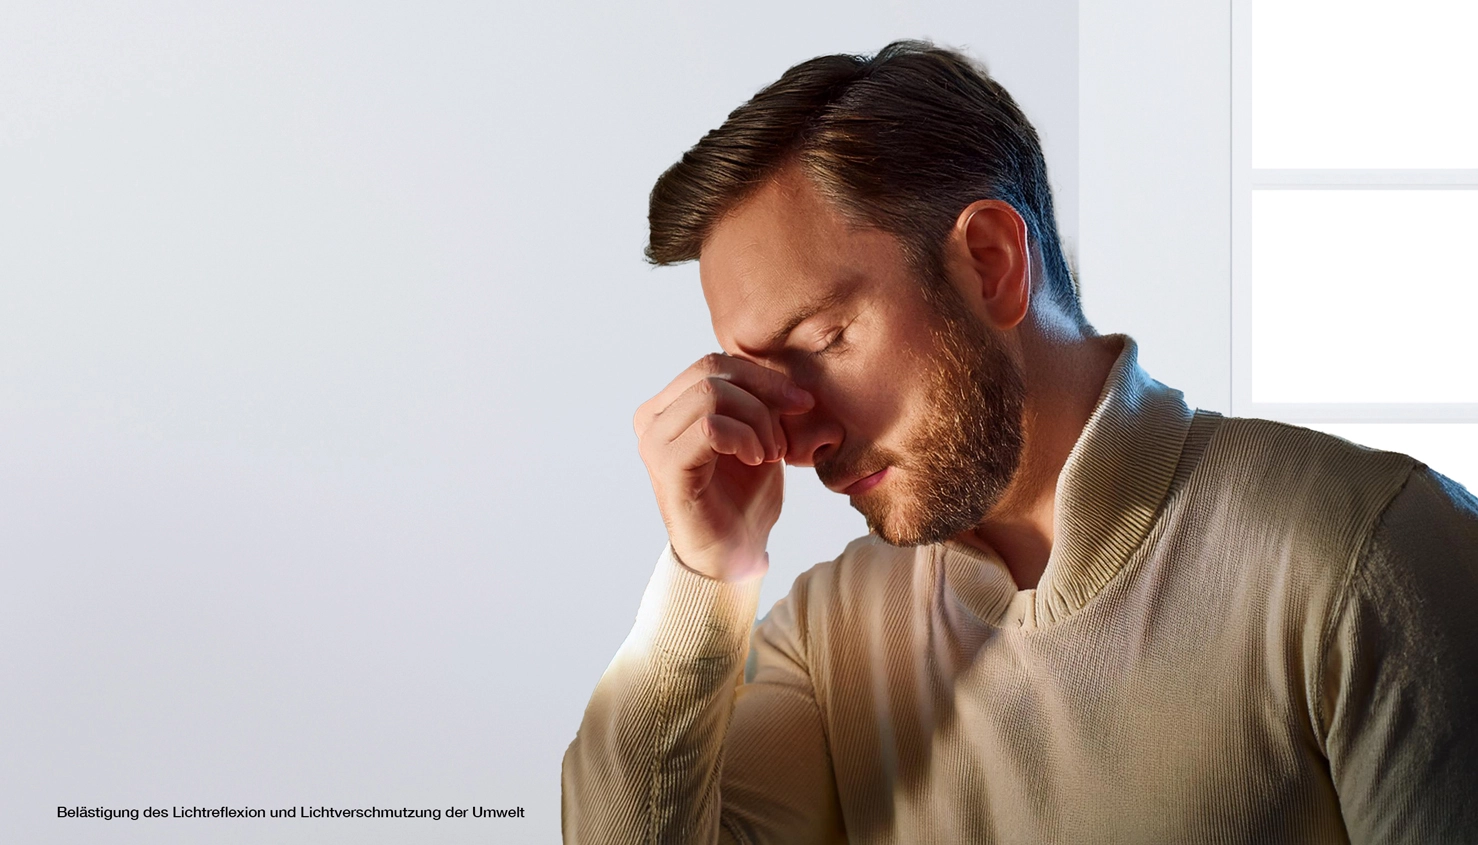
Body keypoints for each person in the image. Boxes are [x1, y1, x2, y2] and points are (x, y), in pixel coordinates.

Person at [561, 41, 1478, 843]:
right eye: (761, 372)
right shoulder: (826, 634)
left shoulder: (1367, 548)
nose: (800, 431)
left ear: (992, 261)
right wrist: (703, 571)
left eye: (825, 339)